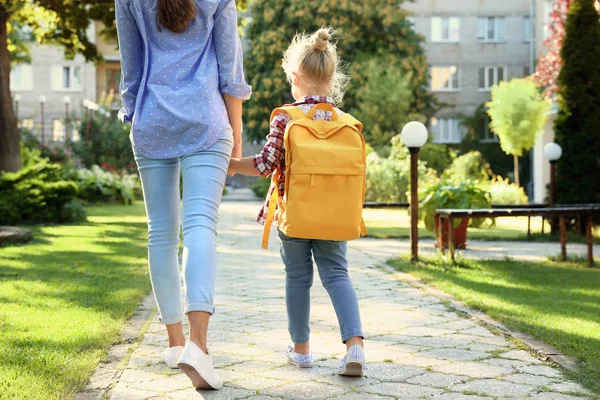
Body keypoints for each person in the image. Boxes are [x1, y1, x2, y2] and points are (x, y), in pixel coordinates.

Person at [115, 0, 251, 390]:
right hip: (207, 122)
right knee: (199, 228)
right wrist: (235, 137)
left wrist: (133, 116)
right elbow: (230, 69)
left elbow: (132, 69)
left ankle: (175, 344)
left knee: (160, 233)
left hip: (151, 121)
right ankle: (199, 348)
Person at [228, 27, 366, 376]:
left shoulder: (285, 116)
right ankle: (355, 347)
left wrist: (228, 164)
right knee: (337, 274)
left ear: (295, 77)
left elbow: (263, 164)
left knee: (297, 279)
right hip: (335, 216)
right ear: (332, 78)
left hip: (296, 216)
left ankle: (301, 350)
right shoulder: (346, 123)